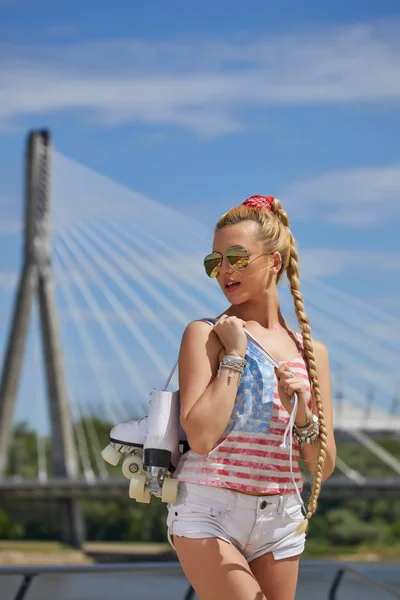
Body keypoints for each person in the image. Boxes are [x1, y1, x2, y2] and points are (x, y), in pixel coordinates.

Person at [166, 195, 336, 600]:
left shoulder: (312, 354)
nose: (224, 271)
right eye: (215, 261)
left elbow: (323, 467)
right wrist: (235, 356)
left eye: (237, 257)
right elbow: (203, 437)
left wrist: (303, 416)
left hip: (280, 517)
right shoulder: (206, 334)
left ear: (274, 261)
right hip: (209, 511)